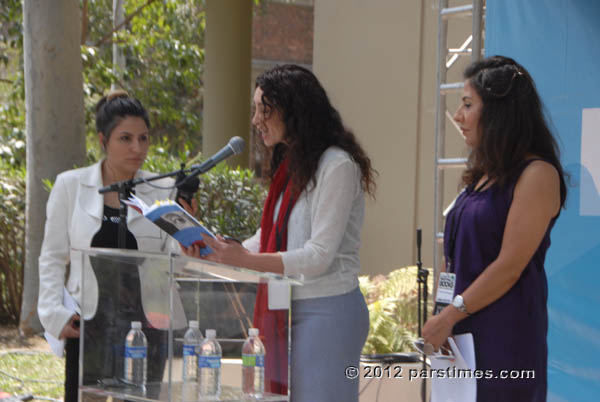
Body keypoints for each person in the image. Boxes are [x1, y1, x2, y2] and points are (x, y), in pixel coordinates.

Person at [183, 64, 376, 402]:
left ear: (294, 110)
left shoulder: (337, 166)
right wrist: (212, 248)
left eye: (264, 109)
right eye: (255, 110)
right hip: (287, 309)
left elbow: (318, 256)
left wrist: (248, 260)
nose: (256, 120)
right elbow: (268, 237)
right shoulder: (292, 165)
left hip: (326, 312)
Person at [422, 55, 568, 401]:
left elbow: (508, 267)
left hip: (504, 337)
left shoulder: (537, 174)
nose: (458, 116)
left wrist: (451, 314)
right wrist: (442, 312)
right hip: (460, 333)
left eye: (468, 104)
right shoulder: (481, 176)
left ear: (500, 113)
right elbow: (454, 259)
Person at [37, 91, 180, 402]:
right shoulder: (70, 185)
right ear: (103, 139)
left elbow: (177, 259)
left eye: (143, 138)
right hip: (89, 327)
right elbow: (51, 257)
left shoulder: (165, 189)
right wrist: (54, 314)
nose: (137, 148)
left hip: (148, 330)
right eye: (125, 138)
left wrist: (188, 227)